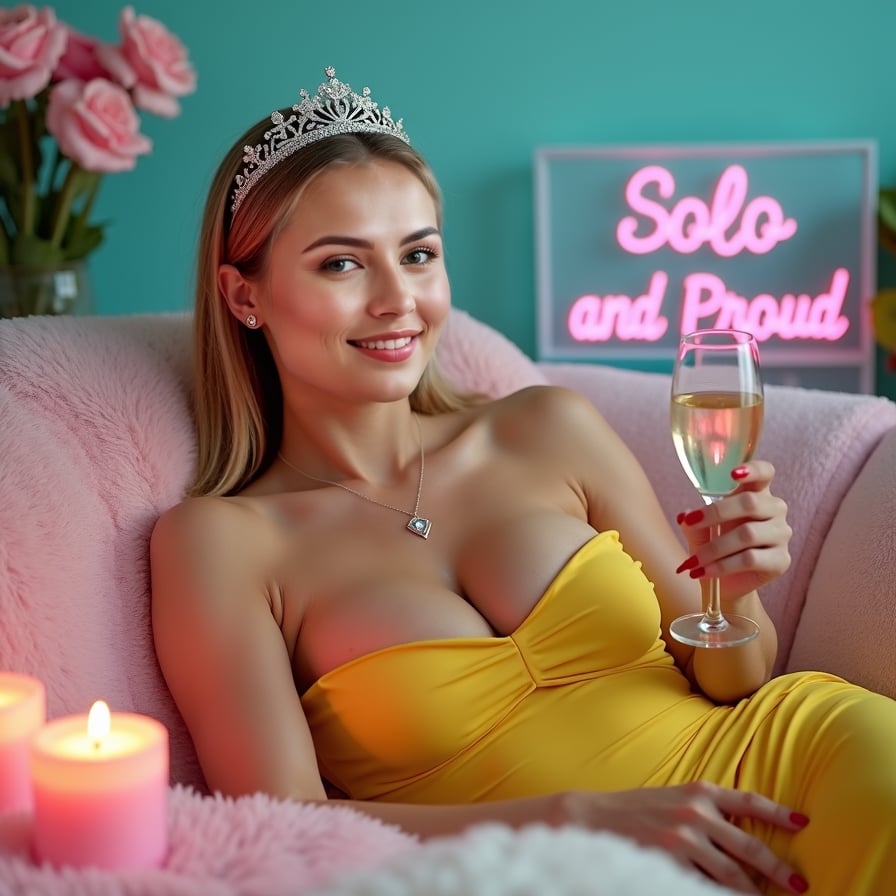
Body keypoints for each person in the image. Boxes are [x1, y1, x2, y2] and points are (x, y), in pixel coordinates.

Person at [150, 66, 896, 896]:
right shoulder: (220, 544)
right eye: (341, 265)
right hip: (543, 871)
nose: (399, 300)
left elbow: (737, 676)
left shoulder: (546, 427)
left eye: (419, 255)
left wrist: (736, 591)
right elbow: (280, 822)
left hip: (792, 764)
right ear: (243, 293)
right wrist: (567, 821)